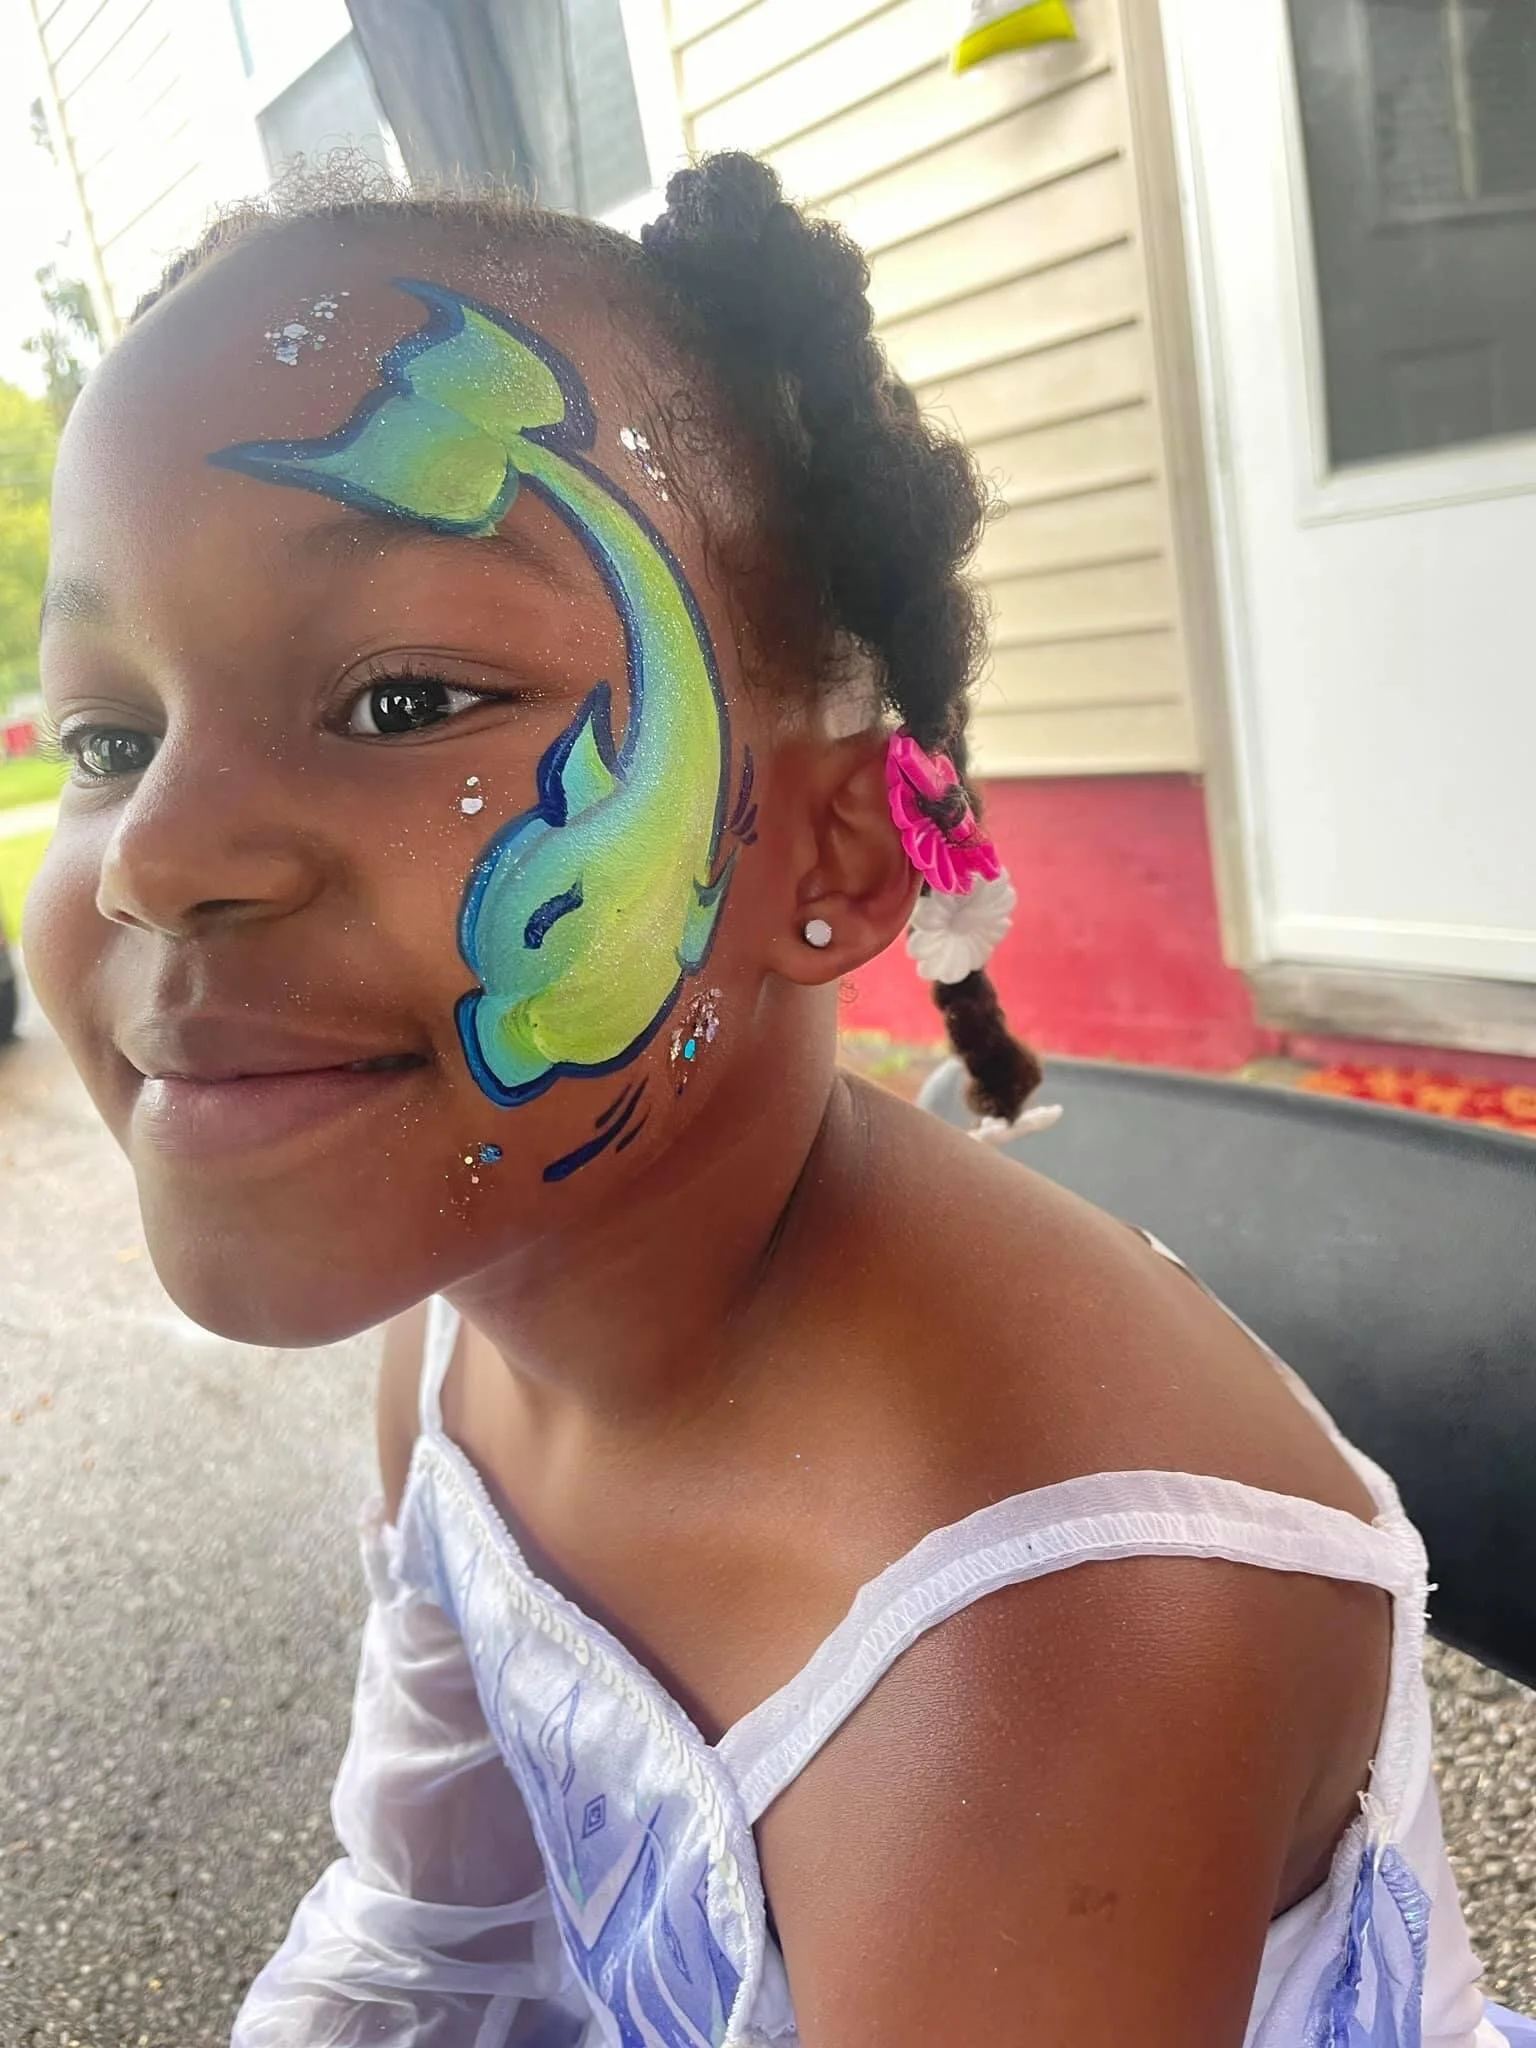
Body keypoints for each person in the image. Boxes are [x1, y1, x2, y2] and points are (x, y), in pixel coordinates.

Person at [24, 151, 1531, 2048]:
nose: (160, 853)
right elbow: (435, 1930)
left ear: (832, 845)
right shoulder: (458, 1345)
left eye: (404, 700)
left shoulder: (1036, 1641)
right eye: (108, 736)